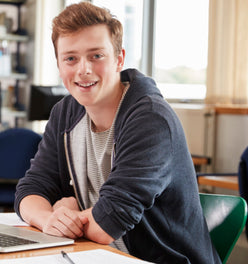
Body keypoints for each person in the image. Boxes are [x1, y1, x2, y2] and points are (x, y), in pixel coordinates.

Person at [14, 2, 220, 263]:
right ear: (59, 64)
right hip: (97, 256)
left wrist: (67, 212)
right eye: (70, 58)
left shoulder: (151, 119)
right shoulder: (64, 112)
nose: (83, 69)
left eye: (96, 55)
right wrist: (51, 218)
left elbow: (106, 223)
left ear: (119, 59)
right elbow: (30, 190)